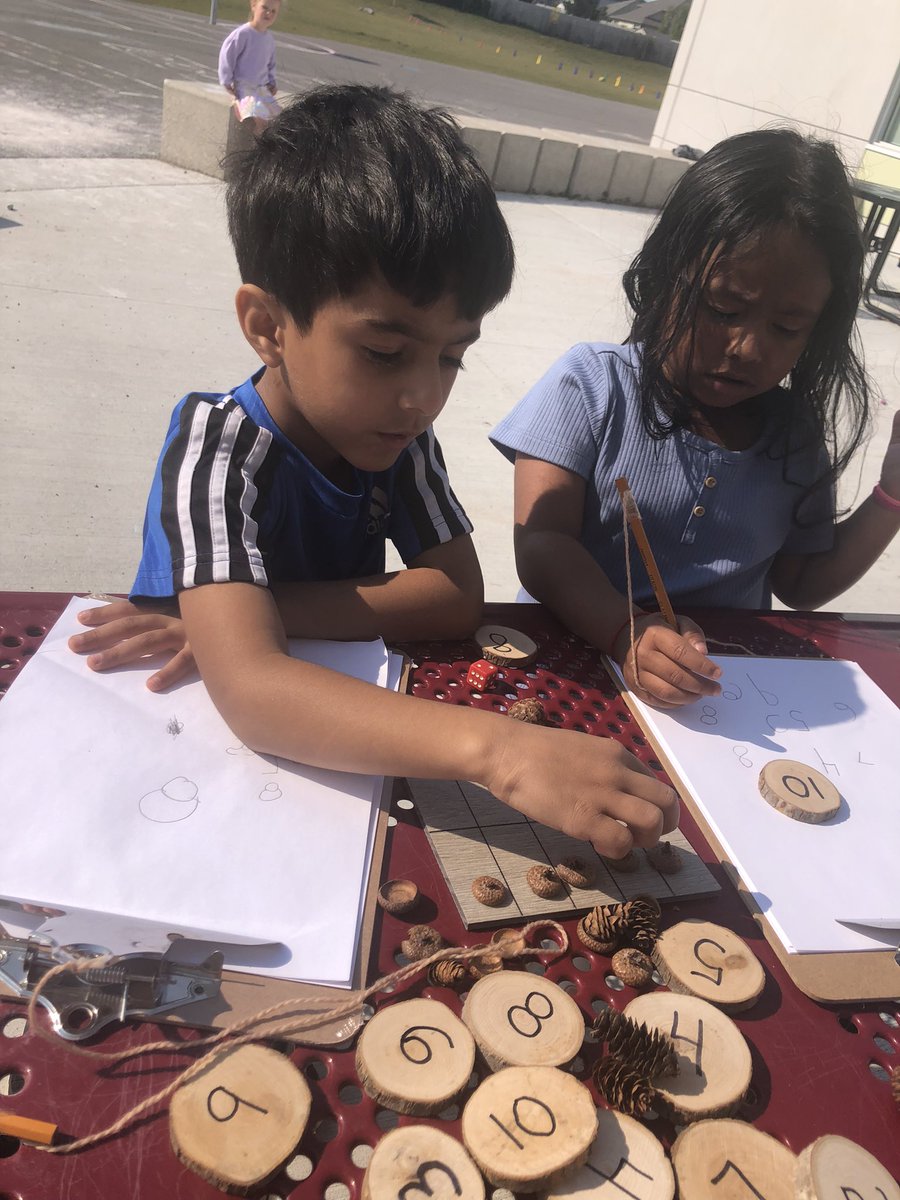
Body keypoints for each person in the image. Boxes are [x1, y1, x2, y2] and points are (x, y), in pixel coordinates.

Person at [69, 85, 678, 859]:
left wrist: (247, 618)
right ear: (268, 326)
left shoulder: (396, 437)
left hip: (345, 750)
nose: (424, 395)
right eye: (385, 352)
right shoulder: (215, 447)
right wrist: (502, 752)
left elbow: (454, 597)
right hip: (184, 749)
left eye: (453, 354)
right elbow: (254, 693)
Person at [490, 127, 900, 711]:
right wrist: (624, 633)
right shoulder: (591, 385)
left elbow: (803, 584)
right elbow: (542, 541)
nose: (747, 347)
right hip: (568, 670)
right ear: (665, 273)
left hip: (721, 699)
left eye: (787, 327)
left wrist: (893, 494)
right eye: (725, 308)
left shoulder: (794, 435)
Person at [218, 0, 282, 133]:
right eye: (264, 8)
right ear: (253, 6)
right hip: (244, 88)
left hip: (262, 89)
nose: (269, 13)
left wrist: (272, 82)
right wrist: (226, 81)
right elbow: (228, 55)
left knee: (280, 118)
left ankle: (272, 149)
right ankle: (257, 150)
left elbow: (270, 64)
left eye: (274, 11)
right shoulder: (243, 34)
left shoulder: (269, 39)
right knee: (260, 119)